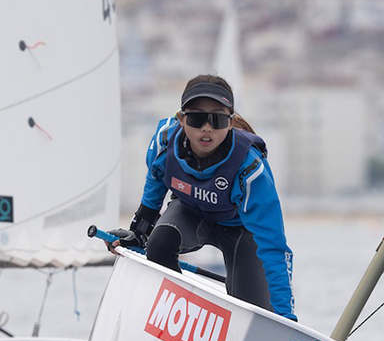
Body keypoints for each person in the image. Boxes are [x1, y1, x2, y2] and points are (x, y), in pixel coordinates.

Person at [111, 74, 296, 320]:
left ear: (230, 122)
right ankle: (175, 320)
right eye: (197, 118)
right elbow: (153, 189)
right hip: (189, 214)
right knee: (159, 243)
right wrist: (138, 233)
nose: (206, 128)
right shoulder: (164, 143)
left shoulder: (250, 168)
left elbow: (273, 246)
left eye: (217, 119)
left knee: (255, 315)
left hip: (240, 231)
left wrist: (285, 317)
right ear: (181, 119)